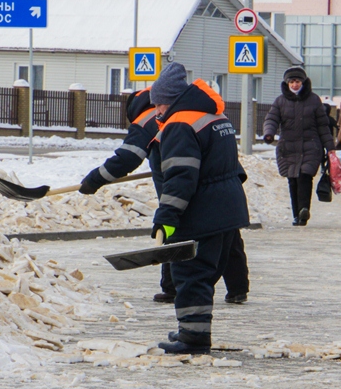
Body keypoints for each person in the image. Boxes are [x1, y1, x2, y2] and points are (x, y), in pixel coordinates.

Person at [78, 83, 250, 305]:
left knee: (173, 227)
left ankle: (172, 289)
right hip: (222, 186)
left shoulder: (147, 121)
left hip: (181, 187)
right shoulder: (199, 110)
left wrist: (95, 180)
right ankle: (238, 288)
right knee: (226, 231)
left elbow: (127, 158)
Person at [150, 62, 250, 355]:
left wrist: (166, 217)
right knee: (206, 272)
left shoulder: (180, 124)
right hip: (226, 208)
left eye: (159, 103)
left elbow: (181, 177)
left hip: (202, 211)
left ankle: (193, 338)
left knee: (191, 274)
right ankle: (191, 327)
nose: (156, 110)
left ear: (170, 100)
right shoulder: (213, 116)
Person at [263, 66, 335, 226]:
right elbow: (272, 119)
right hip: (288, 148)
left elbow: (323, 125)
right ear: (287, 83)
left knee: (305, 177)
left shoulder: (314, 100)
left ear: (303, 82)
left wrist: (330, 146)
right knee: (293, 180)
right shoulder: (280, 101)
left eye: (298, 81)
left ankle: (304, 210)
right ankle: (297, 214)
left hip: (310, 146)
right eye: (292, 81)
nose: (295, 84)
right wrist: (269, 133)